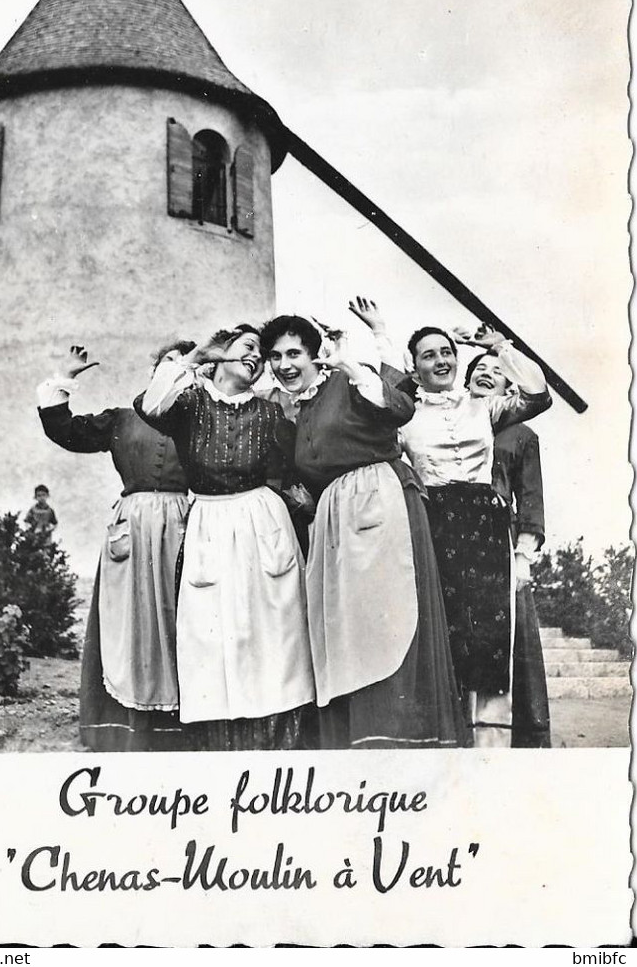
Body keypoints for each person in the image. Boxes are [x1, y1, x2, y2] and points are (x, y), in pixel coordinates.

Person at [259, 312, 467, 750]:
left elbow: (399, 407)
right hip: (336, 517)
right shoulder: (298, 406)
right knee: (347, 630)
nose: (284, 364)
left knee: (388, 617)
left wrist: (350, 364)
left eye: (294, 353)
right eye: (275, 356)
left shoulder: (349, 382)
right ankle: (359, 737)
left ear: (317, 355)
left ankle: (401, 735)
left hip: (381, 502)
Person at [134, 325, 315, 751]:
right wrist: (198, 356)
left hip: (261, 521)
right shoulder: (192, 401)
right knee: (210, 634)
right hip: (209, 523)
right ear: (223, 351)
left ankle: (276, 744)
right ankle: (220, 746)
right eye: (248, 347)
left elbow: (294, 467)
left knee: (272, 631)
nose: (256, 357)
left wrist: (297, 499)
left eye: (262, 353)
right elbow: (149, 405)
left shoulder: (270, 413)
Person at [36, 342, 194, 752]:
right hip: (133, 528)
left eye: (185, 366)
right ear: (153, 372)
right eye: (167, 363)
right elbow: (65, 431)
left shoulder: (201, 422)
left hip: (183, 526)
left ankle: (180, 723)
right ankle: (123, 725)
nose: (175, 371)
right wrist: (65, 377)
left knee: (180, 619)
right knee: (129, 620)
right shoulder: (121, 419)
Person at [400, 323, 552, 747]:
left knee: (490, 637)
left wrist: (500, 347)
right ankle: (446, 742)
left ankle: (490, 748)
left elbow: (538, 395)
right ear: (414, 369)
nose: (442, 360)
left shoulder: (483, 407)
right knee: (445, 635)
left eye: (447, 352)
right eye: (428, 355)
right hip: (436, 525)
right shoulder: (405, 417)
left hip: (486, 526)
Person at [465, 350, 551, 748]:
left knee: (503, 645)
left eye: (495, 372)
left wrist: (522, 557)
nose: (486, 374)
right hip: (449, 541)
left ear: (508, 388)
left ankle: (500, 744)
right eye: (478, 370)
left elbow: (529, 499)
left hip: (499, 548)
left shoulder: (519, 435)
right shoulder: (439, 423)